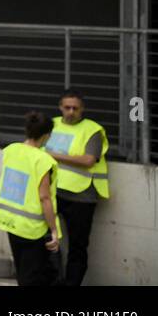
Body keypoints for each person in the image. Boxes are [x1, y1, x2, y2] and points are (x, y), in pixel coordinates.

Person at [0, 111, 62, 286]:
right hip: (33, 229)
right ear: (47, 135)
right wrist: (54, 230)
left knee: (23, 274)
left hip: (11, 223)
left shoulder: (11, 150)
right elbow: (44, 197)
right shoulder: (43, 160)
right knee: (35, 277)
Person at [46, 90, 110, 286]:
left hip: (81, 196)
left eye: (75, 108)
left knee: (78, 246)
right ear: (60, 107)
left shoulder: (92, 130)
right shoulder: (51, 124)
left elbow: (89, 160)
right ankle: (53, 281)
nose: (71, 112)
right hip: (54, 192)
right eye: (67, 107)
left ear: (82, 109)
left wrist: (54, 155)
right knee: (49, 241)